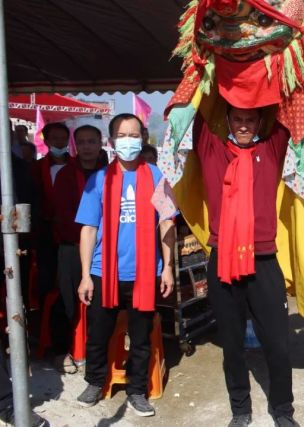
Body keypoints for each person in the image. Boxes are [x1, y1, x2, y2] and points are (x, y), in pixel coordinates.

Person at [194, 105, 297, 427]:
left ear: (259, 122)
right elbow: (198, 109)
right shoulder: (212, 151)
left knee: (278, 345)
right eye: (237, 119)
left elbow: (285, 112)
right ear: (226, 121)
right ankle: (240, 410)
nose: (242, 125)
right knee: (232, 344)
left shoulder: (270, 150)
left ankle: (283, 410)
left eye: (249, 120)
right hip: (223, 257)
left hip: (264, 260)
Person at [75, 114, 176, 417]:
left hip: (145, 273)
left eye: (134, 135)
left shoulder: (157, 176)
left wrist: (168, 267)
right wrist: (84, 276)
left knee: (141, 337)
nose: (129, 140)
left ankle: (136, 391)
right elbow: (89, 229)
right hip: (104, 272)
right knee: (98, 334)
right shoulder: (98, 179)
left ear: (143, 138)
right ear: (112, 141)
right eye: (122, 135)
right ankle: (94, 381)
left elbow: (167, 223)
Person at [50, 125, 106, 374]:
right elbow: (62, 214)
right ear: (76, 145)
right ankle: (62, 351)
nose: (87, 147)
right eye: (82, 142)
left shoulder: (111, 173)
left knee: (102, 303)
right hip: (72, 247)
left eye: (91, 141)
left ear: (100, 143)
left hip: (103, 248)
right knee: (67, 300)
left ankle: (97, 353)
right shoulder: (65, 175)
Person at [32, 123, 71, 311]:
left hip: (72, 234)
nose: (60, 142)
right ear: (46, 141)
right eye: (55, 138)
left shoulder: (76, 166)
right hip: (47, 232)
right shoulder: (37, 168)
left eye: (63, 138)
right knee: (47, 276)